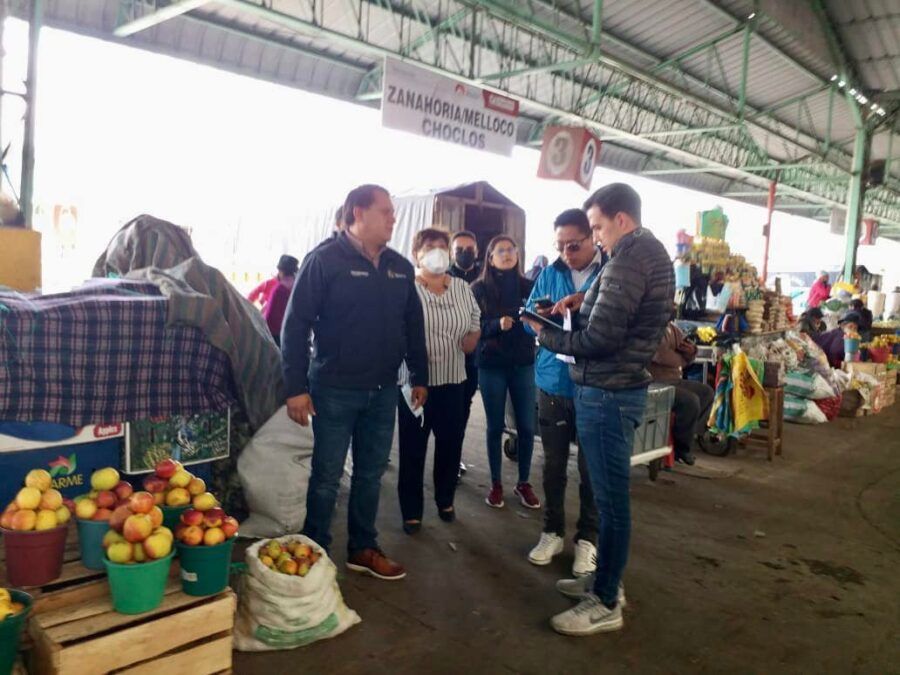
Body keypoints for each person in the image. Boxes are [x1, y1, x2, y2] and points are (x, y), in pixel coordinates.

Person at [522, 183, 674, 636]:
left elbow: (597, 341)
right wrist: (580, 300)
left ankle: (606, 601)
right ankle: (604, 580)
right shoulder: (645, 253)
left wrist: (542, 331)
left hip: (607, 392)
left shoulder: (628, 257)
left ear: (620, 220)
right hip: (615, 388)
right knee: (608, 499)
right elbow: (616, 306)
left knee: (610, 503)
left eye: (597, 227)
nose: (596, 237)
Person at [281, 184, 428, 581]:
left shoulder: (400, 266)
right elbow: (295, 326)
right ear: (358, 213)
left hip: (383, 391)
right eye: (386, 211)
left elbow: (412, 324)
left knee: (370, 473)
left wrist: (420, 374)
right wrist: (295, 387)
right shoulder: (324, 261)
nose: (393, 218)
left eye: (393, 212)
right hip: (333, 390)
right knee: (327, 476)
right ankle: (314, 550)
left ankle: (363, 547)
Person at [523, 209, 604, 577]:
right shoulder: (550, 273)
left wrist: (581, 304)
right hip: (552, 382)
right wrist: (538, 317)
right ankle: (552, 530)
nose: (567, 254)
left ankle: (588, 541)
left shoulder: (611, 273)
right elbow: (528, 319)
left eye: (574, 245)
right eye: (560, 246)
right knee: (553, 464)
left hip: (594, 385)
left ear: (593, 238)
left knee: (592, 469)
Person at [397, 229, 481, 534]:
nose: (437, 251)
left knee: (450, 444)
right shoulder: (406, 289)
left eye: (441, 246)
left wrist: (471, 339)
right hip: (413, 384)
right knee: (412, 448)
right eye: (429, 247)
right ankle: (411, 511)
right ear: (416, 254)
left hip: (453, 380)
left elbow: (474, 323)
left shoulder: (461, 287)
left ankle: (445, 500)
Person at [471, 235, 540, 510]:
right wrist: (495, 325)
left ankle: (523, 482)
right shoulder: (479, 289)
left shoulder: (528, 286)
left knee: (526, 426)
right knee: (495, 426)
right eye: (501, 250)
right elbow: (472, 324)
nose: (508, 254)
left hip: (523, 363)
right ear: (490, 257)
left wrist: (535, 320)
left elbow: (540, 317)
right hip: (491, 365)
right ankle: (496, 483)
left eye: (512, 249)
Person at [648, 321, 714, 466]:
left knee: (707, 393)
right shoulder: (651, 327)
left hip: (674, 379)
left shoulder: (673, 329)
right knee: (690, 401)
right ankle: (681, 448)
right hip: (655, 381)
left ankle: (688, 438)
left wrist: (691, 352)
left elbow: (688, 350)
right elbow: (660, 355)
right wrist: (682, 360)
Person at [448, 230, 481, 479]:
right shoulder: (443, 278)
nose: (464, 253)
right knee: (448, 413)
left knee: (463, 411)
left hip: (473, 360)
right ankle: (446, 460)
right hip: (448, 358)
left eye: (469, 249)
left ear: (477, 252)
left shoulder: (483, 278)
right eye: (459, 250)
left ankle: (453, 459)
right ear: (451, 252)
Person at [262, 256, 298, 346]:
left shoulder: (279, 290)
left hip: (274, 337)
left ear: (281, 271)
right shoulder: (297, 288)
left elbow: (269, 317)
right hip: (291, 336)